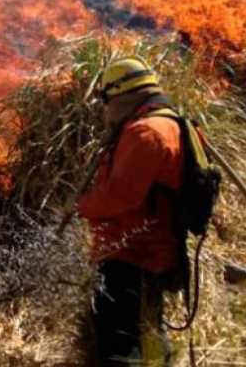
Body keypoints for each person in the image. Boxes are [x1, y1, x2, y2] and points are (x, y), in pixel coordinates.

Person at [77, 57, 183, 366]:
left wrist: (84, 206)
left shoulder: (146, 133)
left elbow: (120, 197)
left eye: (108, 101)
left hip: (131, 253)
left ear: (121, 94)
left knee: (120, 346)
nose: (107, 111)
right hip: (155, 252)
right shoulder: (168, 123)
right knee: (149, 333)